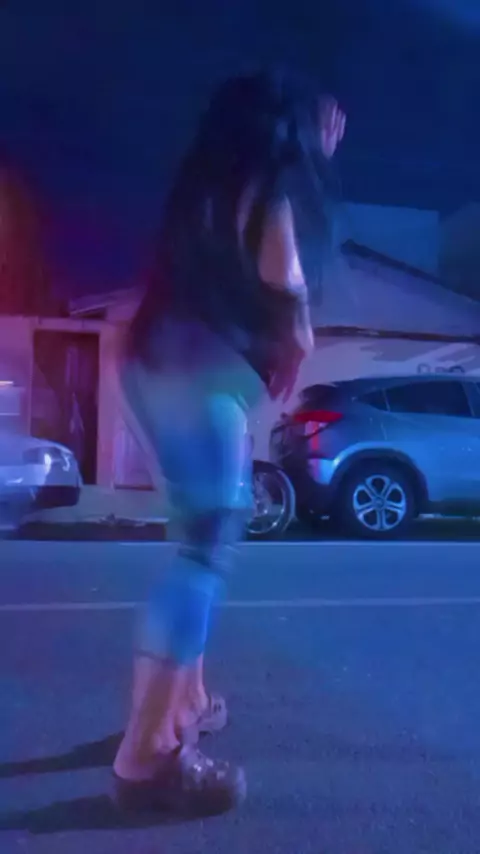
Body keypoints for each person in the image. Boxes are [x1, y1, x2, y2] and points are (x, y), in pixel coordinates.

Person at [112, 69, 346, 815]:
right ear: (286, 129)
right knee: (203, 553)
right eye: (316, 123)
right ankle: (147, 755)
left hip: (150, 360)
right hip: (202, 370)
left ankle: (185, 702)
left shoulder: (203, 190)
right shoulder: (268, 186)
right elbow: (288, 280)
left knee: (193, 540)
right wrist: (298, 341)